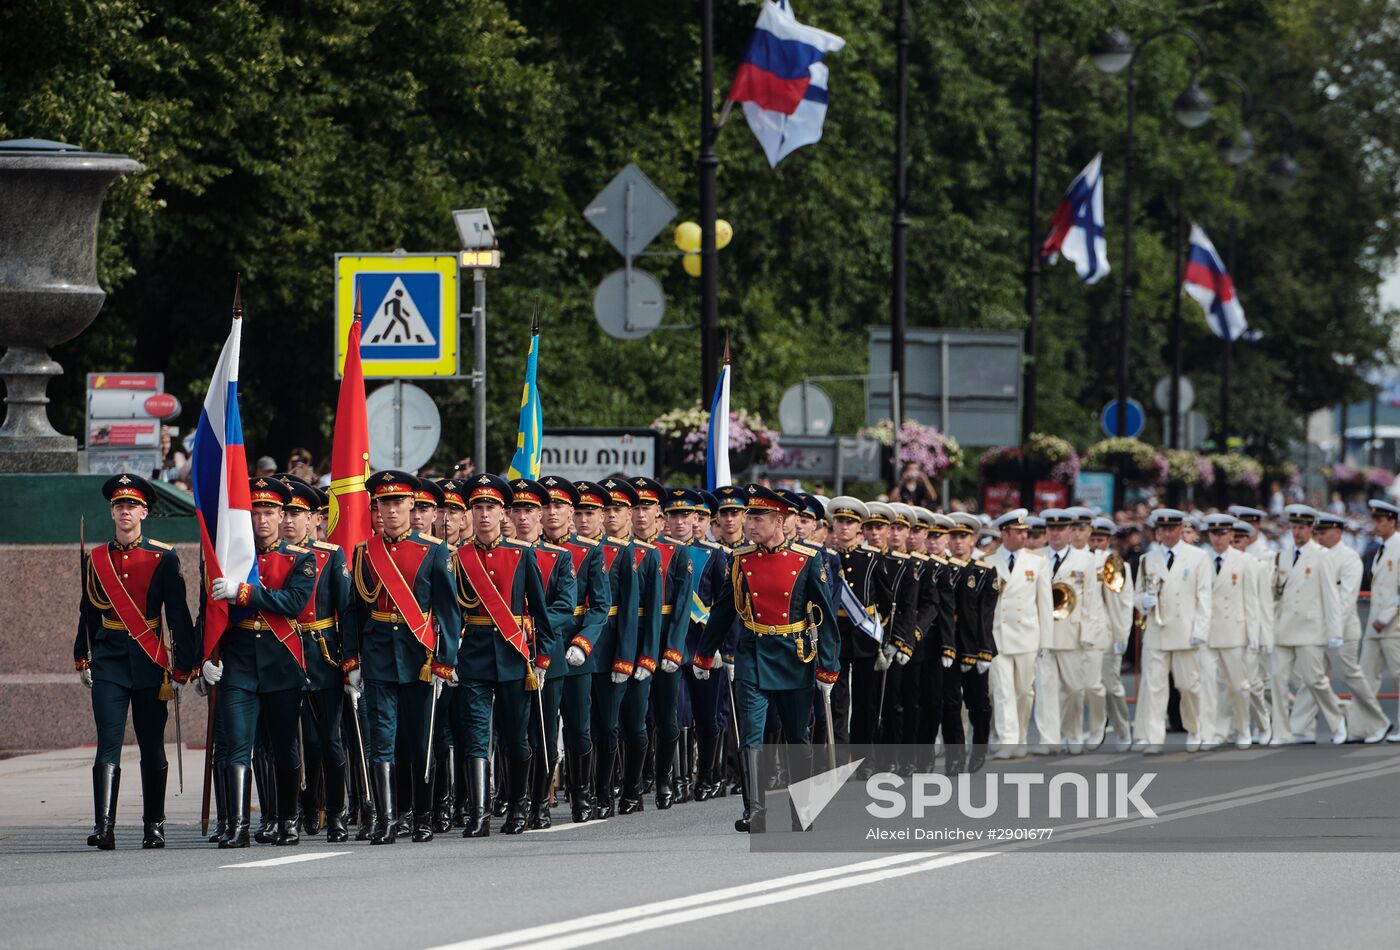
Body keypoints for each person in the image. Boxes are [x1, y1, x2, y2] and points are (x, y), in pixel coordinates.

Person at [691, 485, 840, 833]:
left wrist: (828, 668)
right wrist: (704, 654)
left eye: (758, 518)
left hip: (795, 655)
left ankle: (801, 810)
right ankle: (755, 811)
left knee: (796, 736)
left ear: (780, 520)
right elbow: (724, 610)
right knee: (751, 736)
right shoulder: (740, 559)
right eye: (749, 517)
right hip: (753, 654)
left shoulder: (807, 559)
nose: (749, 524)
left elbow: (827, 619)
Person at [76, 474, 198, 849]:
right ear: (112, 512)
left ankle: (154, 824)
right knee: (107, 742)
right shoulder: (96, 558)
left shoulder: (163, 556)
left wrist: (183, 666)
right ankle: (104, 826)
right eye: (118, 506)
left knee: (151, 745)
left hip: (150, 661)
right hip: (110, 658)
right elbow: (88, 613)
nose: (124, 512)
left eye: (131, 506)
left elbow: (178, 615)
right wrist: (82, 655)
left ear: (145, 511)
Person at [341, 471, 460, 844]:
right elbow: (354, 611)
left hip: (419, 657)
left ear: (411, 504)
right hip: (377, 657)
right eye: (384, 504)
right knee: (381, 740)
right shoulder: (364, 552)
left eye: (397, 503)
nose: (391, 510)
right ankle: (388, 819)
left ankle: (422, 816)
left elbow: (449, 612)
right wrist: (352, 660)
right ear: (375, 507)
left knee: (419, 739)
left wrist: (445, 660)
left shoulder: (434, 550)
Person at [202, 476, 315, 847]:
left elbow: (294, 604)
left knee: (283, 746)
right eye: (256, 512)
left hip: (281, 662)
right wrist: (205, 659)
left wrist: (244, 592)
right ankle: (237, 826)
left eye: (269, 512)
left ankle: (287, 820)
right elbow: (209, 610)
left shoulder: (301, 558)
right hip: (237, 663)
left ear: (282, 515)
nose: (262, 520)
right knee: (237, 744)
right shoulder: (230, 559)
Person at [450, 474, 555, 837]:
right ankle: (480, 815)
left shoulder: (521, 554)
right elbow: (450, 615)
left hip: (514, 656)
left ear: (502, 513)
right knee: (477, 734)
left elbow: (540, 613)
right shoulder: (458, 558)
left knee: (515, 737)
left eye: (490, 507)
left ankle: (518, 806)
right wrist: (447, 657)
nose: (483, 515)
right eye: (477, 507)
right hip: (475, 656)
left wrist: (542, 659)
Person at [280, 476, 353, 841]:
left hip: (321, 656)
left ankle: (336, 812)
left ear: (313, 519)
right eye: (285, 513)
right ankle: (299, 811)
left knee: (327, 739)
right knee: (291, 740)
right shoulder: (267, 558)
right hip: (280, 655)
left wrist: (352, 662)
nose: (289, 521)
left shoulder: (329, 555)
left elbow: (347, 611)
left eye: (298, 514)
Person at [505, 478, 579, 830]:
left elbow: (565, 606)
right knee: (513, 733)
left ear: (540, 516)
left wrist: (536, 627)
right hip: (506, 653)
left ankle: (539, 803)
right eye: (516, 510)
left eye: (530, 511)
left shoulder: (559, 558)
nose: (523, 518)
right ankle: (515, 801)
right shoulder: (500, 554)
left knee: (544, 733)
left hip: (546, 654)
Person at [539, 475, 611, 824]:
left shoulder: (588, 550)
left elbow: (600, 605)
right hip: (542, 647)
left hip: (575, 647)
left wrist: (584, 643)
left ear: (570, 511)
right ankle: (537, 796)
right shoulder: (528, 549)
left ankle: (581, 793)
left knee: (579, 728)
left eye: (560, 506)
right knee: (540, 727)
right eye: (547, 505)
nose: (552, 512)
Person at [1291, 512, 1390, 742]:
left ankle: (1378, 722)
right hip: (1316, 628)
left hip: (1342, 630)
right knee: (1310, 677)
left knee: (1351, 677)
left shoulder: (1349, 558)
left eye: (1324, 532)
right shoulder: (1315, 556)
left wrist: (1332, 629)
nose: (1319, 536)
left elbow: (1346, 600)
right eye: (1317, 532)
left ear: (1338, 532)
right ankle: (1300, 729)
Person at [577, 478, 640, 819]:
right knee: (578, 725)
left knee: (606, 725)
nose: (584, 520)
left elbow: (629, 610)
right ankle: (581, 791)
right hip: (573, 647)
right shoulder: (561, 549)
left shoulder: (620, 551)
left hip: (607, 647)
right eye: (580, 513)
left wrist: (625, 658)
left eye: (592, 513)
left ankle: (605, 790)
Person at [636, 481, 696, 811]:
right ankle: (635, 778)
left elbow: (683, 603)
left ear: (658, 515)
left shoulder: (674, 550)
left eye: (647, 509)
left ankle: (663, 778)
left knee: (665, 715)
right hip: (633, 637)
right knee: (632, 715)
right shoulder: (624, 549)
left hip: (663, 641)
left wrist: (673, 649)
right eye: (637, 509)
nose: (641, 515)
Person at [1132, 508, 1211, 755]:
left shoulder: (1198, 557)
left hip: (1186, 631)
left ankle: (1196, 728)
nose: (1167, 533)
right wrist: (1142, 602)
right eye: (1162, 529)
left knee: (1189, 686)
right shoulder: (1148, 560)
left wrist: (1201, 629)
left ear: (1180, 529)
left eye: (1172, 528)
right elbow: (1137, 594)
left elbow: (1204, 597)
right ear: (1157, 532)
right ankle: (1154, 737)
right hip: (1157, 630)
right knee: (1154, 688)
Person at [1268, 505, 1347, 746]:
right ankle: (1281, 731)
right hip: (1283, 627)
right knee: (1277, 680)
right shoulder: (1282, 555)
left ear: (1311, 528)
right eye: (1293, 527)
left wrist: (1335, 631)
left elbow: (1331, 596)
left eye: (1301, 527)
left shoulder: (1323, 556)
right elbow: (1275, 592)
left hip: (1310, 628)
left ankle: (1338, 722)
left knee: (1315, 680)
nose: (1297, 532)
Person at [987, 508, 1051, 759]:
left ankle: (1021, 735)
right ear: (1004, 533)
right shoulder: (989, 560)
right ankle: (1007, 739)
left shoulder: (1037, 562)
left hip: (1026, 635)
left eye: (1026, 532)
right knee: (1002, 691)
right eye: (1018, 532)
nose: (1024, 536)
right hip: (998, 634)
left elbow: (1044, 604)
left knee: (1024, 691)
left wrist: (1047, 640)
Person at [1196, 514, 1263, 750]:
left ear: (1232, 535)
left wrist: (1254, 632)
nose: (1218, 538)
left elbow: (1251, 600)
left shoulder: (1244, 561)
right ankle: (1214, 731)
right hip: (1206, 631)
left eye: (1223, 533)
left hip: (1234, 631)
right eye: (1213, 533)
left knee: (1238, 685)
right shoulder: (1201, 559)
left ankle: (1243, 728)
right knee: (1208, 685)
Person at [940, 512, 998, 771]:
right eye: (954, 536)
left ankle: (979, 750)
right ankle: (955, 757)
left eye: (963, 536)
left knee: (979, 705)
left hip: (975, 647)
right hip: (949, 645)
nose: (958, 542)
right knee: (950, 704)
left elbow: (987, 614)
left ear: (973, 539)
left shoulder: (985, 571)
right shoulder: (941, 568)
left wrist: (985, 650)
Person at [1089, 517, 1134, 751]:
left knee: (1112, 685)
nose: (1096, 543)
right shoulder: (1081, 562)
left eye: (1101, 539)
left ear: (1108, 540)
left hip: (1108, 632)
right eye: (1093, 539)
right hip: (1086, 632)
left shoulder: (1120, 565)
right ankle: (1096, 730)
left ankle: (1123, 728)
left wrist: (1122, 637)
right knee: (1089, 686)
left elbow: (1125, 604)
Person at [1360, 499, 1400, 739]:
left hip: (1393, 624)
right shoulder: (1381, 548)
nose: (1376, 525)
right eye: (1374, 520)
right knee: (1364, 677)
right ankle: (1375, 724)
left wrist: (1385, 617)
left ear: (1392, 522)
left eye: (1380, 520)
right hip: (1375, 623)